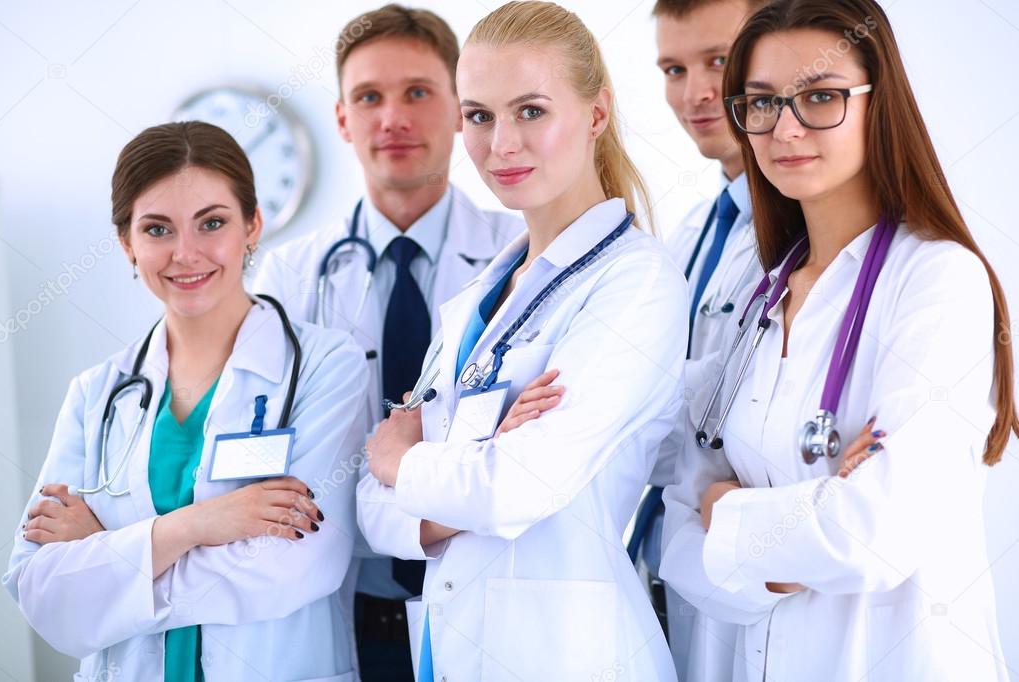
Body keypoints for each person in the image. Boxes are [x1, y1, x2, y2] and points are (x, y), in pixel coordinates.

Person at [658, 1, 1017, 680]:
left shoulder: (935, 279)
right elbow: (673, 524)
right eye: (760, 103)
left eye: (819, 97)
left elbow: (873, 535)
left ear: (879, 106)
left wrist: (725, 511)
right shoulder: (756, 294)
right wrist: (771, 548)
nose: (784, 128)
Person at [357, 2, 687, 680]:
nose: (500, 143)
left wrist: (403, 464)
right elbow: (372, 512)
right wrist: (464, 475)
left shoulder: (636, 282)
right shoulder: (482, 291)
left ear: (596, 113)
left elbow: (517, 486)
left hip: (571, 655)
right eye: (479, 116)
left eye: (530, 111)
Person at [3, 121, 368, 682]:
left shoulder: (325, 366)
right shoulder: (97, 394)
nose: (186, 253)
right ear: (127, 242)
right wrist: (196, 525)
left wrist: (107, 560)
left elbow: (296, 564)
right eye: (157, 229)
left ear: (252, 225)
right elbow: (41, 591)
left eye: (212, 223)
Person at [251, 6, 521, 680]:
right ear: (342, 118)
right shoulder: (290, 275)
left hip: (491, 598)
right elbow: (272, 446)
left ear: (461, 108)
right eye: (369, 97)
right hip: (348, 606)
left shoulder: (517, 258)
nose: (392, 118)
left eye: (417, 93)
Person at [627, 1, 767, 678]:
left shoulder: (817, 240)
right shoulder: (686, 236)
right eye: (672, 68)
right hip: (669, 572)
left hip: (755, 587)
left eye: (718, 60)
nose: (695, 93)